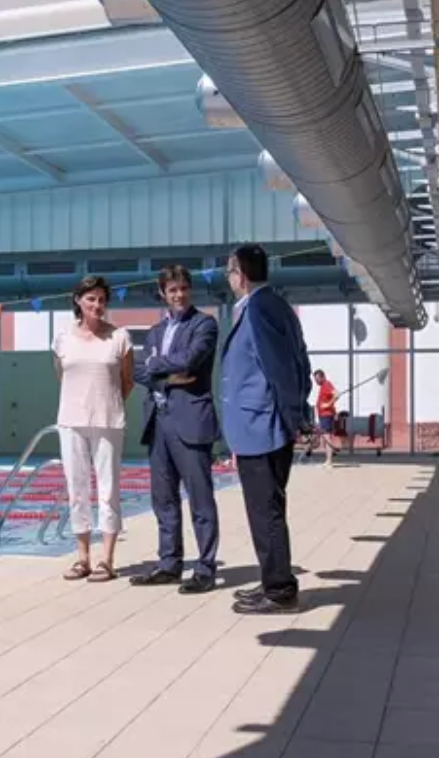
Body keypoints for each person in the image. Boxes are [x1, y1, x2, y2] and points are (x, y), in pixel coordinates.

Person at [220, 244, 312, 614]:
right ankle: (272, 577)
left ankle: (279, 589)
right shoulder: (277, 305)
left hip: (262, 426)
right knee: (268, 508)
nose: (229, 279)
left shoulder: (258, 309)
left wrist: (293, 417)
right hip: (264, 424)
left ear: (238, 274)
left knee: (265, 510)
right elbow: (301, 361)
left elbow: (278, 369)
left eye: (229, 272)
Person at [130, 265, 221, 594]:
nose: (179, 295)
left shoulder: (205, 324)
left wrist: (156, 365)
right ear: (162, 294)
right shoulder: (154, 332)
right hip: (158, 422)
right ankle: (169, 564)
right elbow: (137, 370)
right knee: (163, 499)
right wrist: (165, 375)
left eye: (183, 288)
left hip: (190, 420)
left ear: (189, 290)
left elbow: (192, 360)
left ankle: (205, 568)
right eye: (172, 290)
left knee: (200, 500)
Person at [52, 275, 134, 583]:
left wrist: (107, 403)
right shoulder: (62, 338)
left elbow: (127, 381)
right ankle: (83, 557)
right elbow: (62, 375)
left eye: (101, 300)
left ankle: (107, 560)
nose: (97, 305)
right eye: (91, 299)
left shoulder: (119, 337)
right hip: (71, 420)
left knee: (108, 490)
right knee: (77, 489)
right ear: (78, 301)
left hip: (108, 420)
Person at [313, 370, 339, 468]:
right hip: (323, 415)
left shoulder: (327, 384)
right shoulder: (323, 386)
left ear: (322, 377)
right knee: (325, 436)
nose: (316, 382)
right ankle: (328, 461)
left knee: (326, 435)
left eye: (317, 379)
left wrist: (328, 404)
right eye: (315, 380)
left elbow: (337, 394)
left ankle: (333, 450)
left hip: (326, 415)